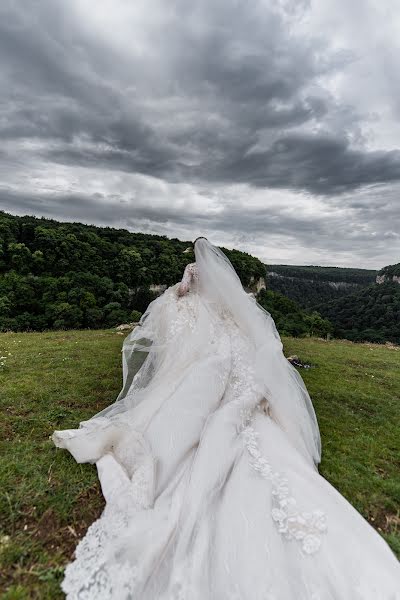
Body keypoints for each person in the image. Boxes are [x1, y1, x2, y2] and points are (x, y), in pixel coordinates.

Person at [52, 237, 400, 599]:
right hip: (229, 336)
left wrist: (178, 290)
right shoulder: (225, 281)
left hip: (214, 339)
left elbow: (183, 294)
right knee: (234, 391)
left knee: (206, 381)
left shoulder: (191, 272)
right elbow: (238, 309)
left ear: (194, 255)